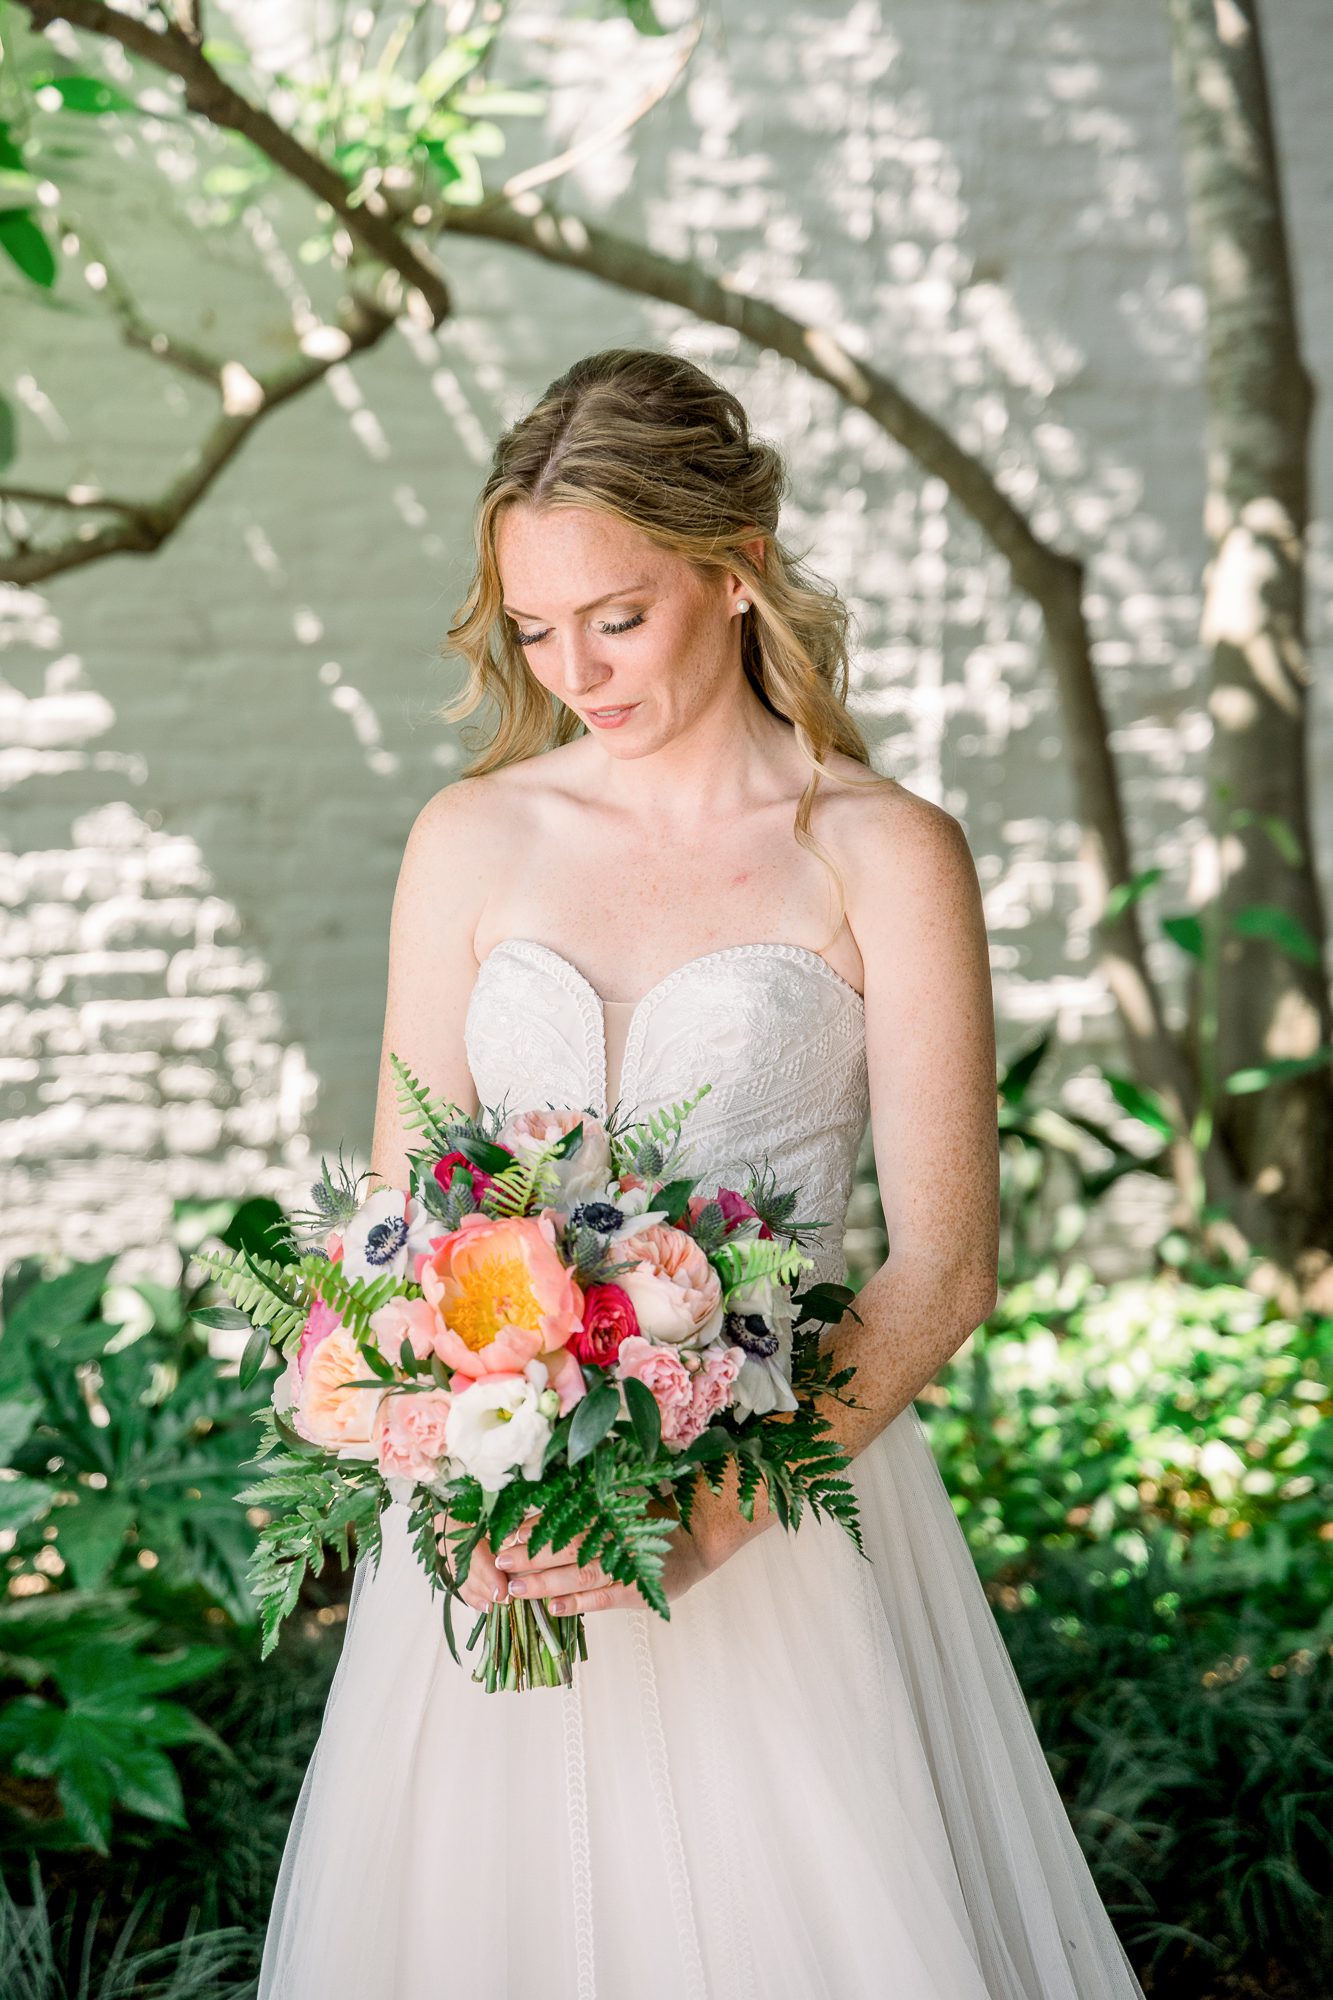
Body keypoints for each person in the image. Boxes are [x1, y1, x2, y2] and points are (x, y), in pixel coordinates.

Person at [257, 347, 1146, 1999]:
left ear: (731, 575)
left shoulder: (881, 850)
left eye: (616, 614)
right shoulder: (471, 837)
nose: (572, 666)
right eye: (532, 627)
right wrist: (444, 1453)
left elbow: (944, 1268)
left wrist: (698, 1531)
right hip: (490, 1531)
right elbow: (398, 1233)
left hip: (778, 1522)